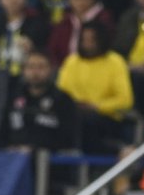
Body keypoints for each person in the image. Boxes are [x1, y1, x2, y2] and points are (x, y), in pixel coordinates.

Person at [56, 20, 134, 152]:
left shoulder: (115, 62)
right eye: (84, 39)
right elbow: (61, 92)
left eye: (92, 40)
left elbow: (125, 100)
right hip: (74, 114)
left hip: (105, 117)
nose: (87, 44)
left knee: (86, 121)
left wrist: (97, 106)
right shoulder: (72, 61)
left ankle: (116, 149)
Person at [1, 49, 79, 153]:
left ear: (51, 70)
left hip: (50, 159)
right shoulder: (13, 97)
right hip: (15, 158)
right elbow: (2, 134)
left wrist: (36, 150)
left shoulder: (63, 100)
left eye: (41, 67)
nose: (35, 72)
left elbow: (69, 140)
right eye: (31, 67)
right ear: (23, 70)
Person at [48, 0, 114, 67]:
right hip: (66, 68)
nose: (81, 1)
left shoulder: (104, 20)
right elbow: (53, 50)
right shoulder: (64, 22)